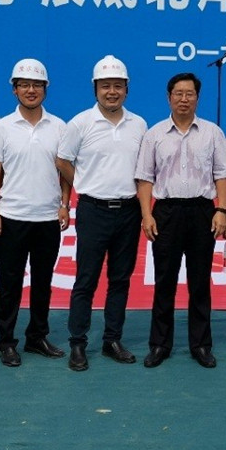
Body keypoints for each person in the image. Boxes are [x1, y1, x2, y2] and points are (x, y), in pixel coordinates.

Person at [134, 72, 226, 369]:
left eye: (189, 94)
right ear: (169, 97)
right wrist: (147, 214)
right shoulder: (154, 134)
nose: (183, 99)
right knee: (164, 281)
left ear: (197, 98)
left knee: (200, 282)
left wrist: (222, 210)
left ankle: (201, 345)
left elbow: (223, 175)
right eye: (178, 93)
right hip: (166, 212)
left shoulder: (212, 132)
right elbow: (145, 177)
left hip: (203, 211)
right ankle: (159, 344)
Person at [57, 55, 147, 371]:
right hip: (93, 210)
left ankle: (112, 340)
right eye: (106, 86)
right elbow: (62, 160)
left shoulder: (139, 125)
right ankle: (77, 343)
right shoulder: (80, 123)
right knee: (86, 279)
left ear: (127, 89)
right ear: (95, 88)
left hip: (128, 211)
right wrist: (82, 182)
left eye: (118, 86)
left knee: (120, 280)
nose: (112, 92)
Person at [0, 58, 70, 368]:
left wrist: (64, 203)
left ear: (45, 89)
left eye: (36, 85)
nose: (30, 90)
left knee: (43, 282)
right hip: (12, 216)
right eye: (24, 85)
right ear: (14, 89)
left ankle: (37, 337)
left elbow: (65, 171)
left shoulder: (59, 127)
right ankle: (7, 341)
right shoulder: (2, 127)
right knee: (9, 284)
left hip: (47, 218)